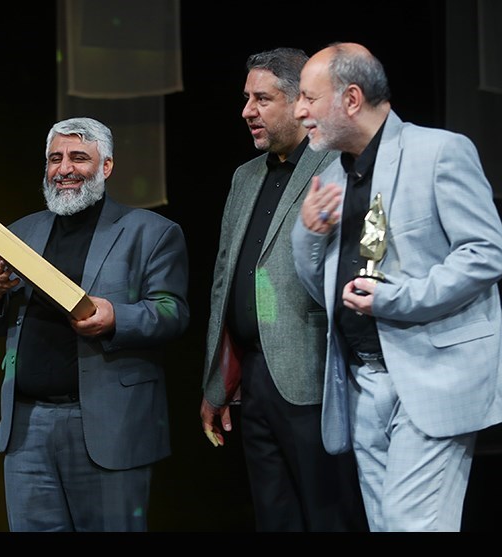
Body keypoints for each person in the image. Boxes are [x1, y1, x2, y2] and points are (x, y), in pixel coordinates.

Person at [291, 42, 502, 531]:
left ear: (351, 99)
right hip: (364, 380)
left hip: (432, 376)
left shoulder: (439, 152)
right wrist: (310, 234)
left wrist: (395, 298)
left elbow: (485, 253)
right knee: (387, 524)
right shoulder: (334, 176)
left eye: (308, 97)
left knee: (414, 523)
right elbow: (320, 288)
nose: (299, 111)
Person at [0, 117, 190, 532]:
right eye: (55, 159)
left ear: (106, 166)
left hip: (108, 425)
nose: (64, 169)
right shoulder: (21, 233)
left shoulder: (151, 232)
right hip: (27, 428)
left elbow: (172, 313)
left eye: (78, 158)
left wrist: (116, 318)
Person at [199, 47, 366, 531]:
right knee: (274, 517)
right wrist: (216, 382)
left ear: (300, 102)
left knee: (329, 517)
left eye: (262, 99)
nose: (247, 111)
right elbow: (223, 281)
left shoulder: (338, 166)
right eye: (246, 99)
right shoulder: (244, 177)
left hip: (313, 377)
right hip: (253, 379)